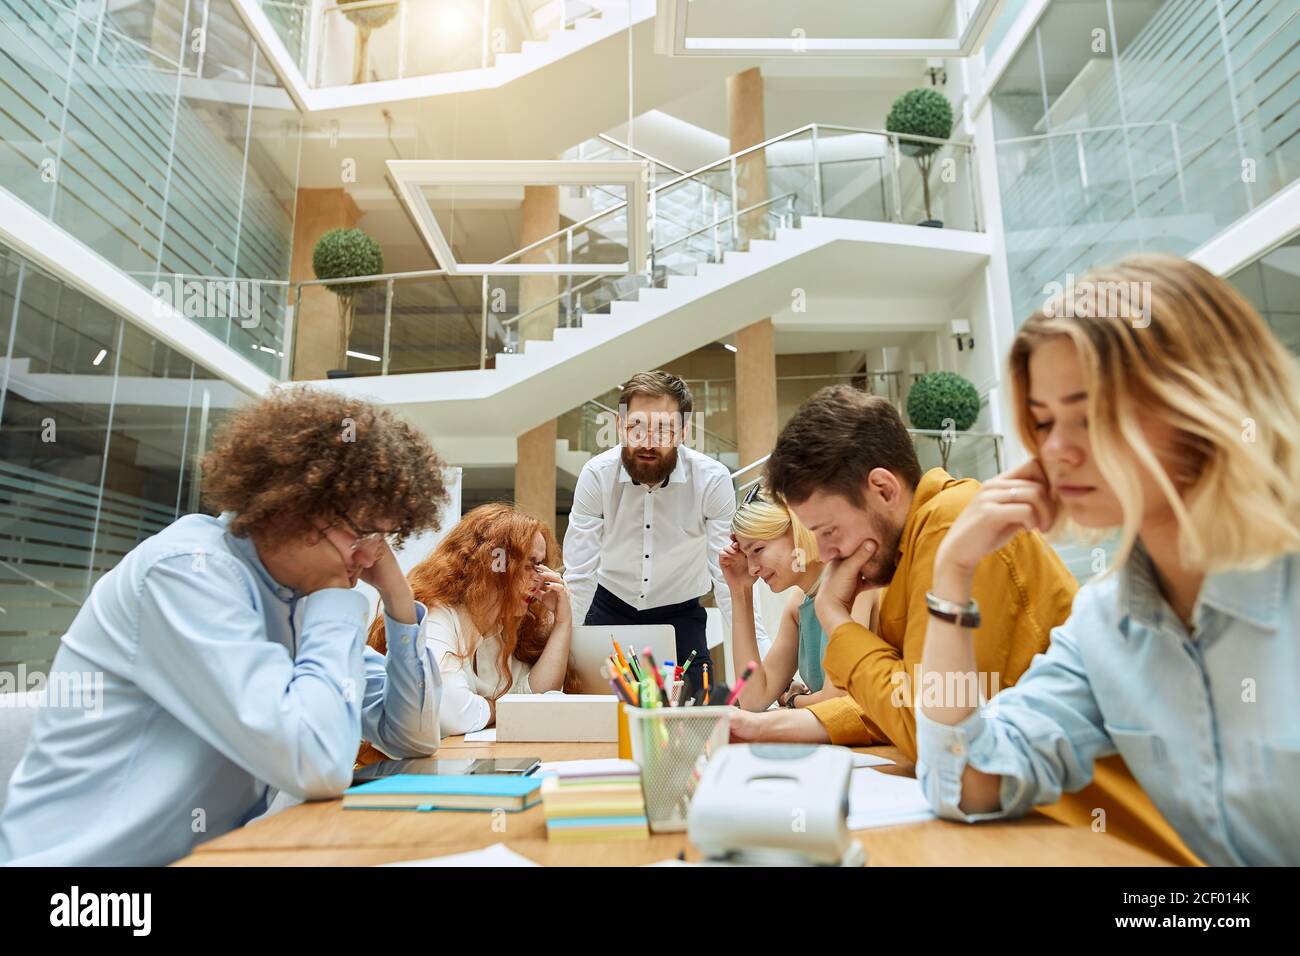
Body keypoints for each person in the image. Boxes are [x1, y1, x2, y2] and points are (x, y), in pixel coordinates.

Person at [914, 255, 1300, 866]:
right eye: (1043, 421)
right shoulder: (1105, 624)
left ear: (1203, 404)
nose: (1056, 451)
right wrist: (952, 576)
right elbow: (961, 783)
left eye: (1090, 415)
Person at [0, 389, 450, 865]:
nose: (369, 556)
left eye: (380, 539)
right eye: (359, 532)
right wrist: (337, 600)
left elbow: (411, 738)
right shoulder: (188, 573)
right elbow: (315, 763)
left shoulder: (297, 596)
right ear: (293, 504)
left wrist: (399, 603)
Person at [762, 383, 1200, 865]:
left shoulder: (951, 525)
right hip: (1021, 814)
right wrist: (772, 727)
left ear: (884, 489)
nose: (825, 554)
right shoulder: (909, 550)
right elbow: (900, 704)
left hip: (1090, 830)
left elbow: (926, 729)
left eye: (829, 532)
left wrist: (836, 621)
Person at [563, 371, 766, 676]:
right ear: (620, 426)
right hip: (607, 608)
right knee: (598, 711)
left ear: (683, 432)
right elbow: (579, 575)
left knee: (693, 714)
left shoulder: (712, 479)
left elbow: (728, 579)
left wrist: (764, 671)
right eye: (636, 427)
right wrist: (563, 657)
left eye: (663, 430)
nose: (647, 442)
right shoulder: (597, 475)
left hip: (681, 617)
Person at [362, 503, 580, 746]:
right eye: (529, 565)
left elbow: (533, 698)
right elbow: (451, 714)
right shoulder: (438, 616)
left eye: (541, 566)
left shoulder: (499, 628)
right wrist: (501, 707)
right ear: (492, 566)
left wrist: (563, 621)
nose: (539, 579)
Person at [718, 483, 878, 737]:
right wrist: (740, 592)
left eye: (758, 550)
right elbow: (753, 698)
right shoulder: (798, 605)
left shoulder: (858, 585)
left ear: (798, 530)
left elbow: (838, 701)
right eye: (747, 556)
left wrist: (793, 700)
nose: (752, 569)